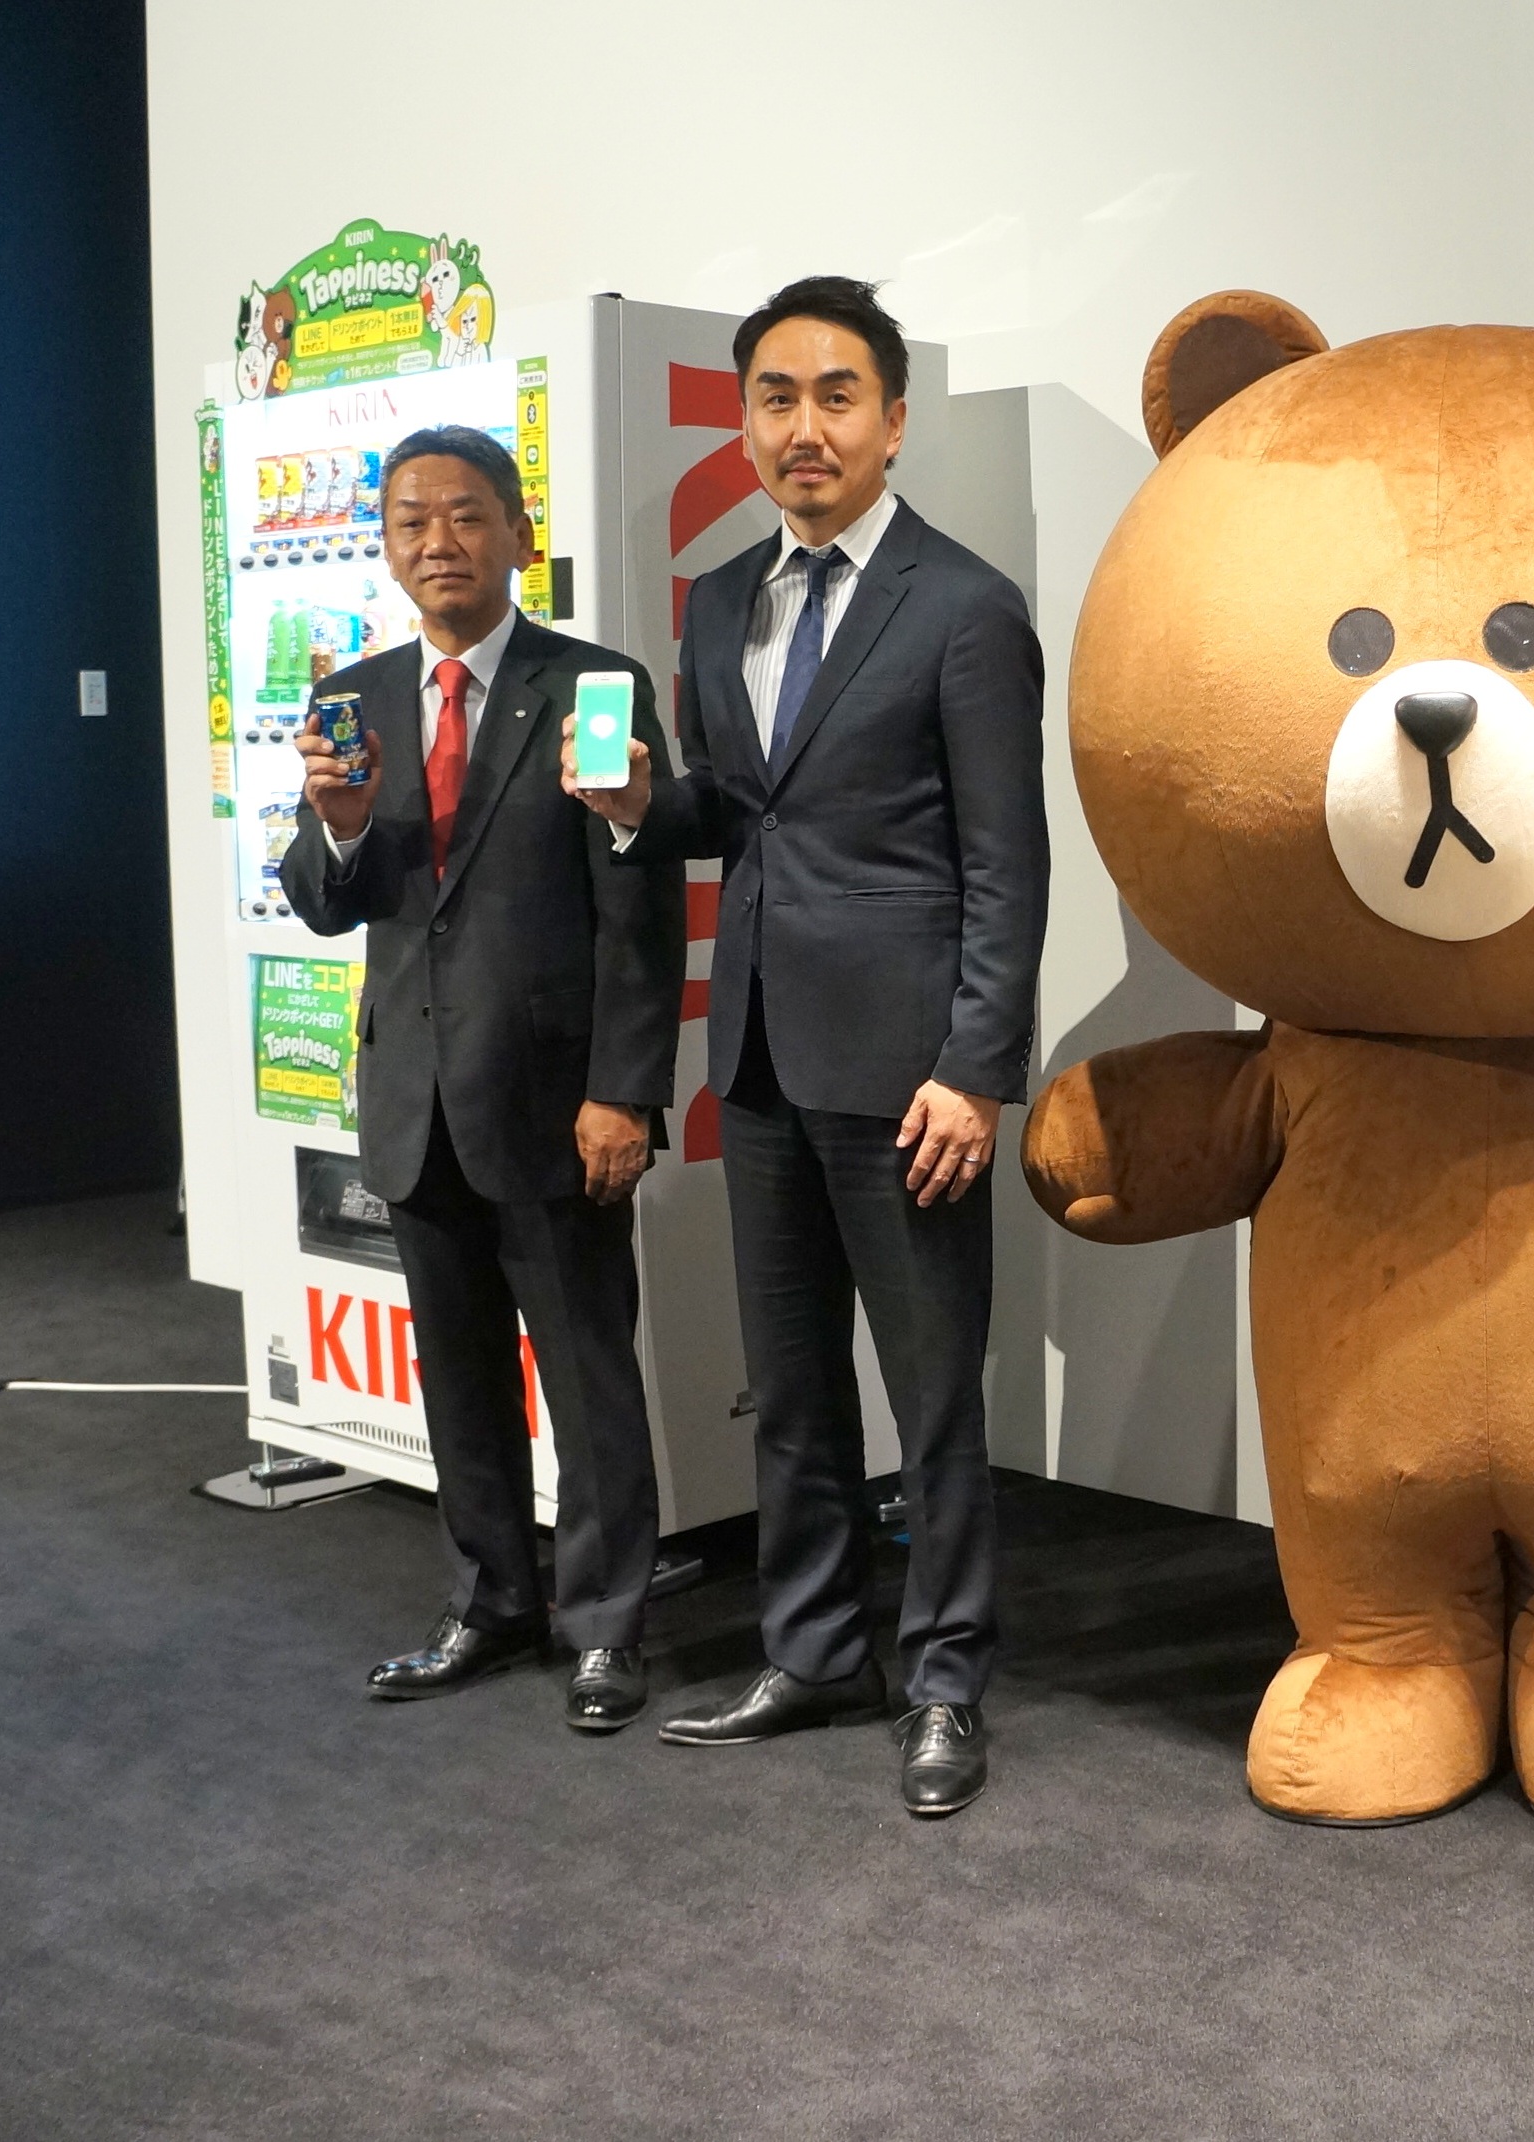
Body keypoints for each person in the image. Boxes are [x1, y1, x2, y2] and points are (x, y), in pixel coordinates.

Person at [568, 276, 1049, 1819]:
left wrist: (977, 1067)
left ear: (893, 421)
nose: (804, 426)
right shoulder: (718, 599)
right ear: (744, 422)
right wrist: (643, 806)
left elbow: (1007, 860)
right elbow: (738, 806)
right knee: (788, 1389)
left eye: (837, 395)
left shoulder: (964, 605)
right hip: (761, 1055)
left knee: (934, 1394)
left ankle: (945, 1677)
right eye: (774, 397)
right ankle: (815, 1651)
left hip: (912, 1075)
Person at [286, 425, 681, 1732]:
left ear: (517, 531)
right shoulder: (356, 693)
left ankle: (607, 1625)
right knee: (458, 1382)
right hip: (416, 1104)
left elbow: (639, 911)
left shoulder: (596, 685)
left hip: (558, 1106)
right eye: (410, 521)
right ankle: (493, 1600)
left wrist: (626, 1090)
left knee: (589, 1380)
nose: (438, 542)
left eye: (465, 515)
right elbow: (326, 898)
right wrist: (340, 827)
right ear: (386, 546)